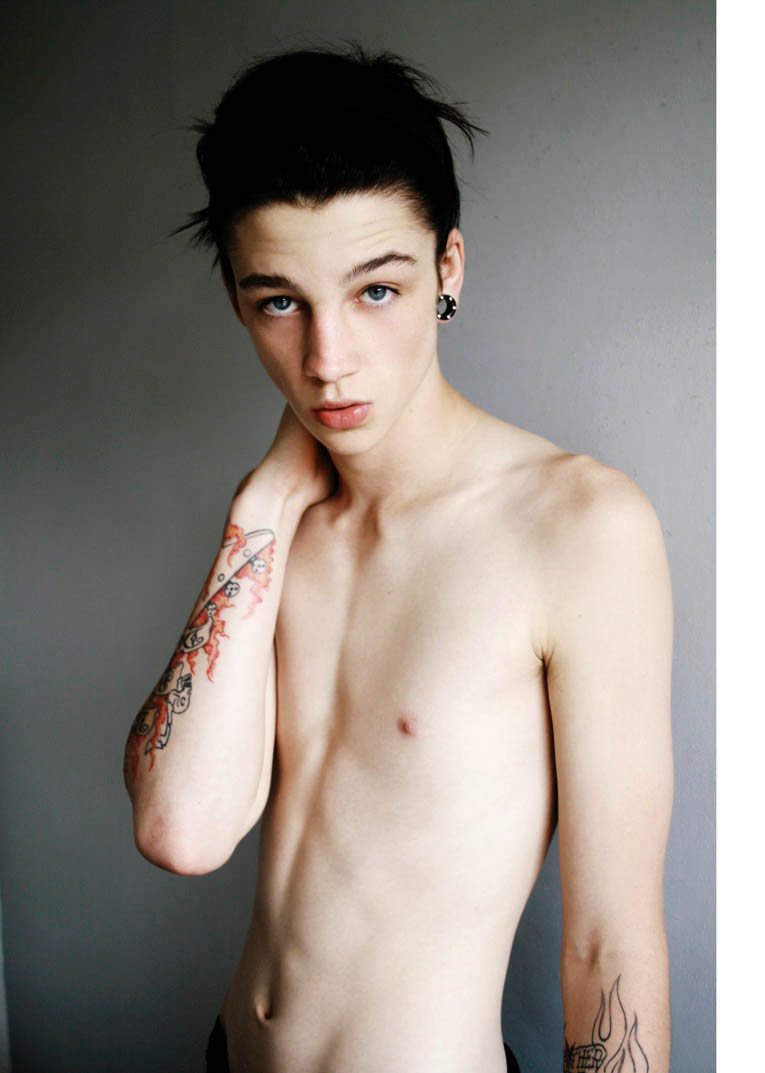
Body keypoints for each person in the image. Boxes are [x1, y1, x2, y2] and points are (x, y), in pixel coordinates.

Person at [123, 43, 674, 1073]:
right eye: (280, 301)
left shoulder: (579, 526)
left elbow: (609, 945)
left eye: (375, 291)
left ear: (446, 270)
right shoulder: (275, 528)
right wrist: (263, 500)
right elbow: (180, 828)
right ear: (238, 298)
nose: (327, 360)